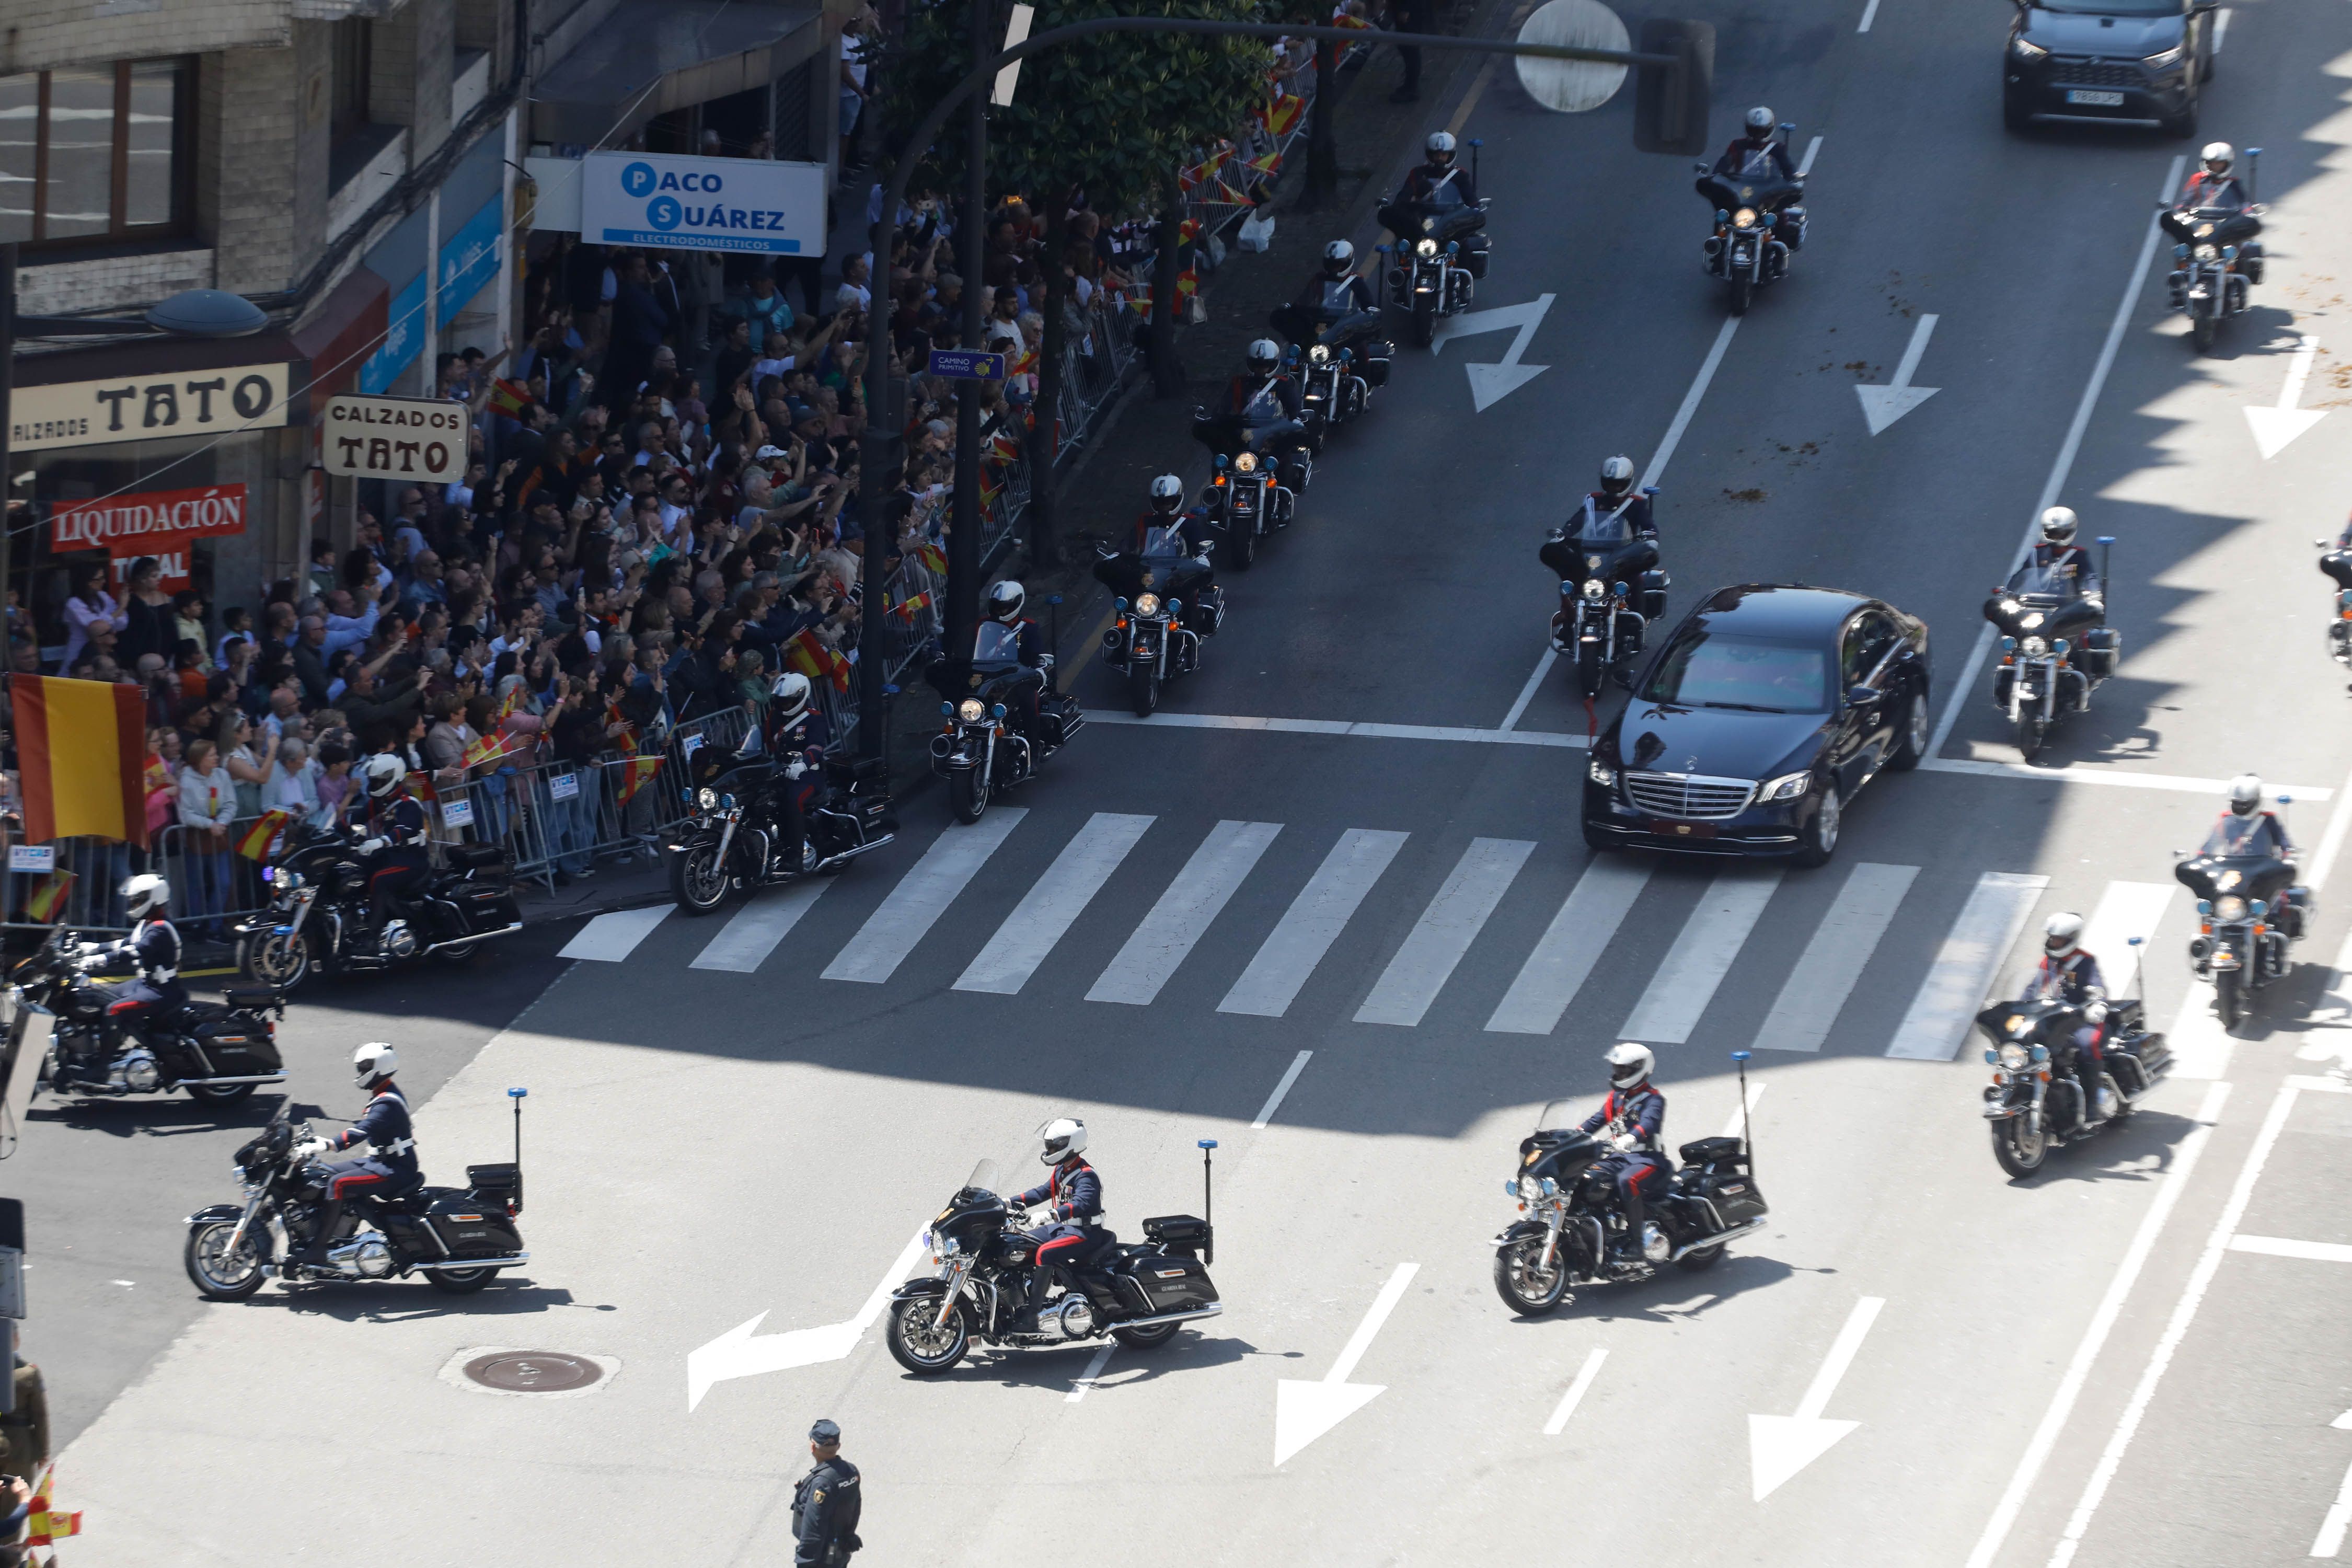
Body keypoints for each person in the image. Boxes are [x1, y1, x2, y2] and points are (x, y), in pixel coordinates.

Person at [289, 1043, 421, 1267]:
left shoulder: (387, 1102)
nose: (360, 1073)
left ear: (380, 1068)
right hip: (380, 1162)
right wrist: (314, 1141)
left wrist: (328, 1144)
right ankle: (334, 1230)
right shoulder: (383, 1093)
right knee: (323, 1173)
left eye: (364, 1068)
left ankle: (318, 1249)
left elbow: (361, 1130)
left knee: (338, 1185)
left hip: (396, 1169)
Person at [1010, 1117, 1102, 1330]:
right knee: (1021, 1243)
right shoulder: (1063, 1169)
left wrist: (1050, 1215)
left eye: (1053, 1146)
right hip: (1065, 1228)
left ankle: (1032, 1317)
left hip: (1085, 1232)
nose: (1049, 1149)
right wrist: (1008, 1202)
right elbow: (1042, 1192)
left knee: (1046, 1253)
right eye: (1048, 1145)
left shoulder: (1086, 1176)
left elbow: (1079, 1205)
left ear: (1070, 1145)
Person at [1580, 1043, 1667, 1260]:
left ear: (1640, 1069)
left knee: (1628, 1181)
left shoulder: (1653, 1099)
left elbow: (1649, 1124)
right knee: (1585, 1177)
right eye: (1617, 1069)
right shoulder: (1616, 1098)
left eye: (1624, 1070)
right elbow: (1596, 1121)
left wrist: (1631, 1137)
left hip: (1648, 1160)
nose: (1619, 1074)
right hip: (1619, 1157)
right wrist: (1571, 1137)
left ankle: (1638, 1243)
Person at [2021, 913, 2110, 1124]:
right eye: (2052, 938)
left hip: (2081, 1018)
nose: (2054, 942)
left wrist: (2097, 1002)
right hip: (2054, 1017)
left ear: (2072, 938)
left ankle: (2093, 1103)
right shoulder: (2047, 963)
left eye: (2059, 939)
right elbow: (2033, 988)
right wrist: (2017, 1008)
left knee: (2087, 1044)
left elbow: (2098, 986)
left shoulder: (2085, 962)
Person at [77, 874, 186, 1029]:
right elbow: (125, 943)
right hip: (144, 983)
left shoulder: (160, 928)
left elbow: (137, 950)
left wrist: (100, 960)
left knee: (113, 1010)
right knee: (98, 997)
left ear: (154, 898)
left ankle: (105, 1054)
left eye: (138, 901)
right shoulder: (147, 923)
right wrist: (94, 947)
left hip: (161, 991)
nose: (134, 905)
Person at [1703, 107, 1804, 253]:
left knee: (1781, 218)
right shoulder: (1737, 145)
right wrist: (1715, 177)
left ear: (1769, 129)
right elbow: (1725, 164)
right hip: (1740, 191)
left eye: (1762, 131)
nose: (1758, 135)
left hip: (1767, 194)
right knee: (1722, 216)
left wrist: (1791, 183)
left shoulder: (1777, 148)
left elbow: (1788, 169)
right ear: (1748, 129)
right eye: (1754, 130)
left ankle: (1780, 254)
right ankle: (1717, 249)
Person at [355, 754, 430, 937]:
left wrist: (380, 842)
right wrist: (328, 832)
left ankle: (373, 936)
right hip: (392, 856)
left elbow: (402, 830)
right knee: (355, 870)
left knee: (379, 880)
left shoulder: (408, 804)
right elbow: (355, 818)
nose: (375, 786)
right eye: (374, 781)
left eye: (380, 782)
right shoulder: (382, 801)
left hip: (412, 860)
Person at [1375, 132, 1480, 248]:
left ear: (1450, 155)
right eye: (1436, 155)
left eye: (1444, 155)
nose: (1440, 158)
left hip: (1449, 223)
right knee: (1403, 246)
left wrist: (1475, 210)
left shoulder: (1460, 175)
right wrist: (1396, 209)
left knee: (1465, 246)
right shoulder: (1417, 174)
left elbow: (1471, 199)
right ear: (1430, 155)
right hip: (1422, 224)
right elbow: (1404, 196)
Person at [1270, 239, 1380, 349]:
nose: (1334, 268)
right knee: (1295, 351)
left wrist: (1367, 315)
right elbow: (1305, 300)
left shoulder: (1356, 281)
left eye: (1338, 265)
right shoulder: (1319, 279)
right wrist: (1295, 311)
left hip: (1344, 328)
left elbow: (1369, 305)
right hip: (1318, 326)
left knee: (1361, 348)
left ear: (1347, 263)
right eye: (1331, 265)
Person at [791, 1418, 862, 1567]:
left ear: (813, 1447)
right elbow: (856, 1506)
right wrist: (849, 1534)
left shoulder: (822, 1483)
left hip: (823, 1556)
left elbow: (814, 1525)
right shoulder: (851, 1471)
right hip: (839, 1550)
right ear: (838, 1446)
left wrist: (805, 1561)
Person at [2203, 773, 2294, 859]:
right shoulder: (2227, 820)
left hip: (2264, 870)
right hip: (2232, 869)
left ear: (2256, 801)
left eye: (2245, 804)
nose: (2241, 808)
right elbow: (2211, 844)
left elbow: (2284, 843)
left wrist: (2288, 854)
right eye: (2237, 804)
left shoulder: (2268, 820)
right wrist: (2201, 857)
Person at [2026, 506, 2102, 602]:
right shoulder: (2035, 553)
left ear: (2070, 532)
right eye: (2052, 533)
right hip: (2035, 603)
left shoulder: (2078, 554)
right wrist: (2007, 592)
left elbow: (2090, 577)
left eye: (2060, 534)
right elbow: (2020, 577)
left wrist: (2095, 591)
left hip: (2068, 605)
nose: (2055, 537)